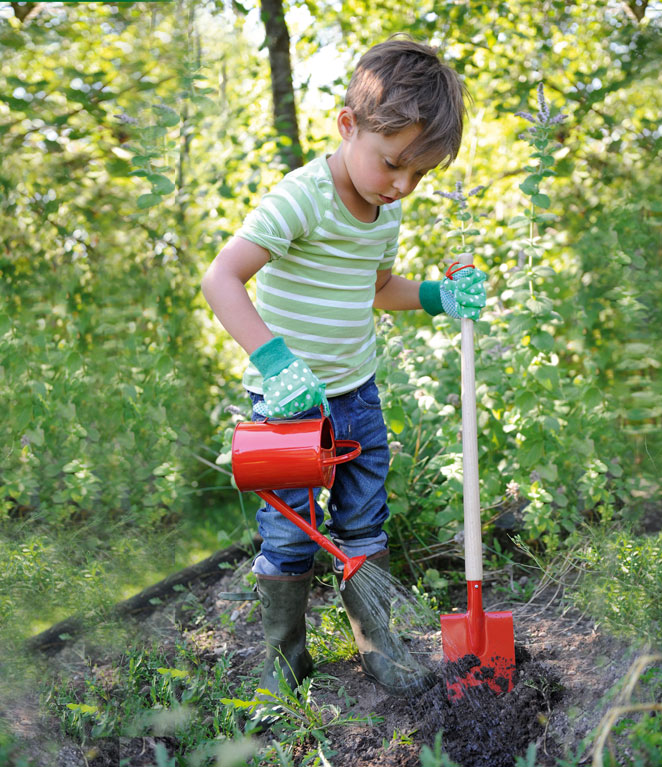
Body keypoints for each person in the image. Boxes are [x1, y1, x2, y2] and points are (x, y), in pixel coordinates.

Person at [201, 38, 487, 698]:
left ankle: (377, 646)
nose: (403, 186)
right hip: (287, 405)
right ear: (348, 125)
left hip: (356, 395)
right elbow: (221, 277)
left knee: (363, 519)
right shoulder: (301, 198)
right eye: (394, 165)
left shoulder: (383, 211)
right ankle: (287, 657)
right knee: (290, 532)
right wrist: (274, 363)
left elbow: (377, 288)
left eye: (420, 175)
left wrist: (437, 296)